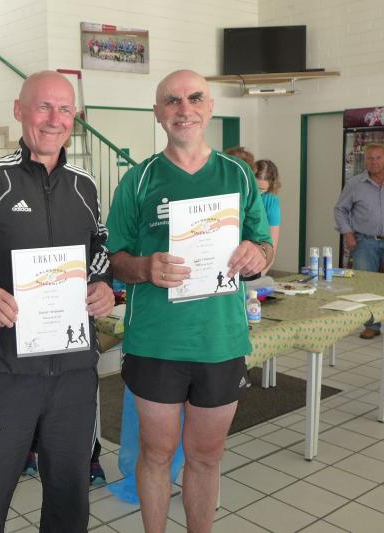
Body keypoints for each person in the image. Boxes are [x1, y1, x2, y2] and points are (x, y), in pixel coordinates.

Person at [0, 70, 115, 533]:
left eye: (64, 109)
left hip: (75, 374)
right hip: (7, 371)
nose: (54, 119)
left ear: (75, 117)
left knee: (69, 500)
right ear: (19, 110)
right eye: (43, 107)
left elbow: (99, 249)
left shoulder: (84, 185)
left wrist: (102, 283)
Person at [106, 70, 272, 533]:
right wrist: (144, 268)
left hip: (220, 341)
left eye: (195, 98)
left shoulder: (238, 175)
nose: (184, 109)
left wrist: (257, 255)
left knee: (206, 456)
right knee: (156, 453)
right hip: (156, 342)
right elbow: (114, 258)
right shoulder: (138, 180)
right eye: (172, 100)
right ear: (158, 113)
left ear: (210, 107)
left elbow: (263, 246)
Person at [334, 143, 384, 339]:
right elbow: (340, 210)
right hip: (364, 243)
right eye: (370, 158)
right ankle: (372, 326)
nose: (374, 162)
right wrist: (348, 233)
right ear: (365, 160)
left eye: (378, 158)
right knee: (367, 286)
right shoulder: (355, 184)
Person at [255, 159, 282, 274]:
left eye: (261, 190)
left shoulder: (271, 200)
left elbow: (272, 247)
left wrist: (260, 275)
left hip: (257, 251)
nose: (257, 193)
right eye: (254, 187)